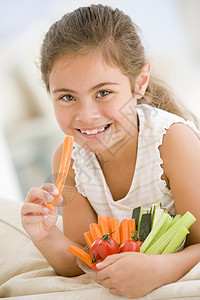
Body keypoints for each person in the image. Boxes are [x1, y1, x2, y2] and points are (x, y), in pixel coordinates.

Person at [21, 4, 200, 298]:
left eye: (103, 92)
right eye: (67, 97)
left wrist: (160, 270)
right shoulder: (71, 163)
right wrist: (46, 236)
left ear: (139, 82)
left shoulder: (171, 142)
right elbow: (82, 262)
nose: (87, 115)